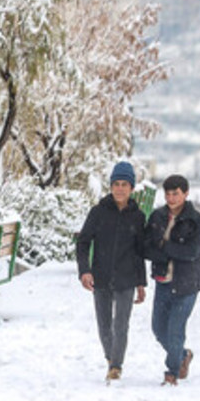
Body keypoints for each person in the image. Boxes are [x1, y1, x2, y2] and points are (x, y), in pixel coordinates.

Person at [75, 161, 147, 382]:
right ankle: (110, 357)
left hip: (126, 278)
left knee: (121, 324)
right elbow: (83, 242)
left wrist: (141, 283)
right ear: (111, 186)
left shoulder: (138, 216)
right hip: (101, 277)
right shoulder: (98, 212)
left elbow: (139, 252)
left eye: (125, 184)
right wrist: (84, 271)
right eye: (116, 184)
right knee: (105, 324)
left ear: (132, 188)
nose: (120, 188)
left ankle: (116, 366)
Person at [144, 174, 200, 386]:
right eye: (168, 194)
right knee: (158, 328)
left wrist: (164, 247)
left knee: (175, 329)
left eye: (176, 194)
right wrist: (161, 252)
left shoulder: (196, 220)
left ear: (185, 194)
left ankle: (171, 373)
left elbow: (192, 251)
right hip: (163, 280)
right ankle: (183, 356)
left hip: (186, 283)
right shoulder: (157, 217)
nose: (171, 198)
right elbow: (146, 246)